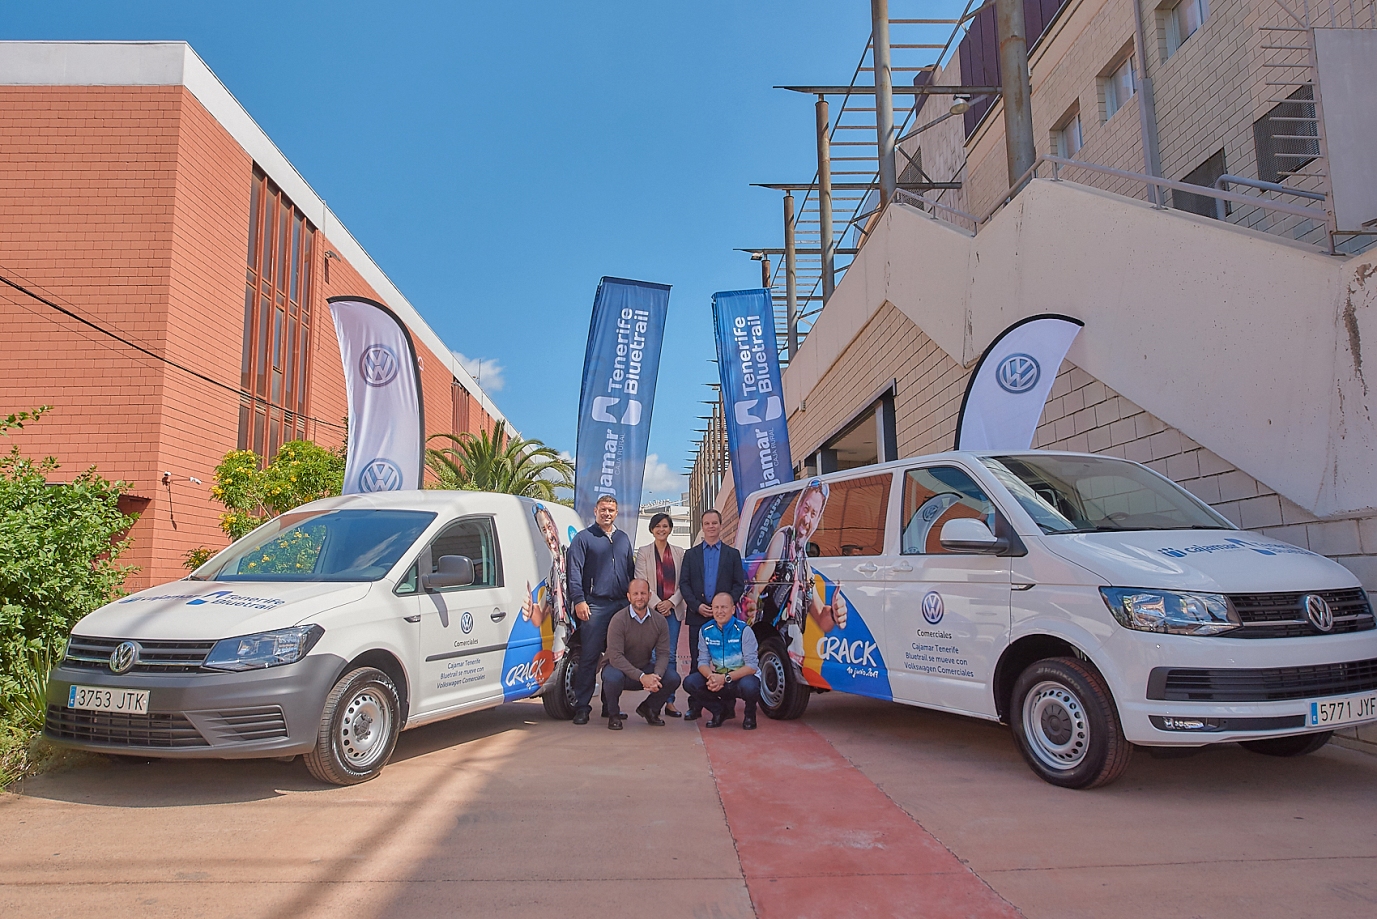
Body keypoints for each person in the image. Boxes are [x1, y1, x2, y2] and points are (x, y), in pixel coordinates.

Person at [741, 479, 847, 668]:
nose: (807, 519)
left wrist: (834, 613)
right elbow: (761, 578)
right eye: (806, 509)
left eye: (813, 514)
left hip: (795, 656)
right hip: (774, 641)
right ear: (798, 508)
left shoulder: (805, 566)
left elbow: (821, 618)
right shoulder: (782, 539)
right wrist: (751, 601)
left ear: (817, 521)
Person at [565, 494, 636, 725]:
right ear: (595, 511)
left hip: (621, 605)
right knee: (590, 657)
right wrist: (579, 600)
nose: (607, 513)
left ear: (616, 513)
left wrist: (632, 601)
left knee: (616, 658)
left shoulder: (623, 539)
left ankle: (610, 706)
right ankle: (582, 707)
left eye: (611, 510)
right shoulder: (584, 538)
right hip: (595, 606)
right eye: (603, 509)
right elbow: (574, 572)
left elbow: (630, 571)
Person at [677, 508, 745, 721]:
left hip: (724, 620)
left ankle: (728, 707)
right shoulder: (691, 555)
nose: (711, 526)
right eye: (707, 523)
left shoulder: (732, 555)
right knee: (698, 662)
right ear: (702, 526)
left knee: (727, 662)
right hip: (698, 616)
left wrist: (723, 608)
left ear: (720, 525)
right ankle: (696, 707)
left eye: (714, 523)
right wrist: (697, 606)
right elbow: (684, 584)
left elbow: (739, 585)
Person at [601, 578, 681, 730]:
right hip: (618, 669)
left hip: (643, 666)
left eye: (643, 593)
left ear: (650, 595)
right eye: (635, 594)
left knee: (672, 678)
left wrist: (656, 677)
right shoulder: (618, 619)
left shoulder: (659, 621)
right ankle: (613, 714)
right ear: (628, 597)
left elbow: (663, 653)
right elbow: (616, 657)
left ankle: (649, 709)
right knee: (612, 677)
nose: (640, 597)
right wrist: (642, 677)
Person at [634, 513, 687, 717]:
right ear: (651, 529)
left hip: (673, 611)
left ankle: (669, 701)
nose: (661, 529)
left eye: (665, 526)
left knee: (670, 655)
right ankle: (654, 701)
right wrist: (657, 604)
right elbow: (641, 581)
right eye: (657, 526)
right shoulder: (644, 552)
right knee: (656, 656)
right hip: (652, 611)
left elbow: (684, 582)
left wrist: (671, 602)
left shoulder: (679, 553)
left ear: (670, 528)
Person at [684, 591, 760, 730]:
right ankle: (719, 710)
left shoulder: (744, 630)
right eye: (716, 607)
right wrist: (711, 677)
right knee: (690, 682)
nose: (720, 611)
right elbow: (702, 662)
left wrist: (724, 679)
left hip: (740, 678)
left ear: (733, 609)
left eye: (724, 607)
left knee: (750, 686)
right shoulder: (705, 630)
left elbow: (752, 667)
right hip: (719, 676)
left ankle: (750, 714)